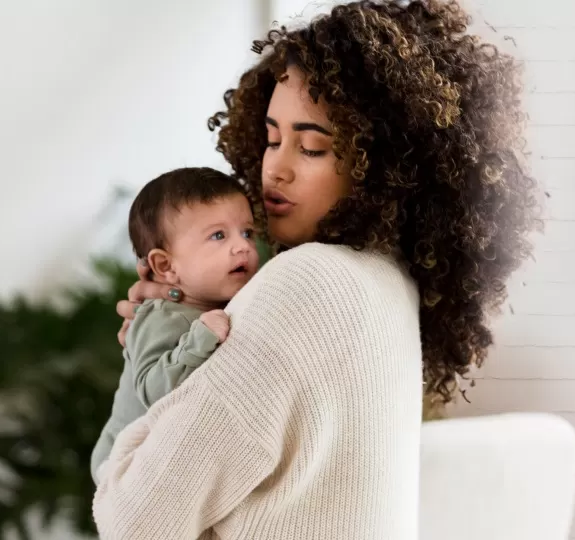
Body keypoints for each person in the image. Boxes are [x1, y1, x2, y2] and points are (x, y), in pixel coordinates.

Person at [93, 1, 542, 538]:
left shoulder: (306, 284)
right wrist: (171, 344)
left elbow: (133, 519)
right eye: (272, 138)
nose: (276, 168)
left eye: (310, 147)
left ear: (383, 165)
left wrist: (148, 409)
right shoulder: (388, 281)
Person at [90, 167, 259, 483]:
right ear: (166, 266)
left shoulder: (222, 302)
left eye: (247, 232)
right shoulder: (162, 316)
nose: (243, 247)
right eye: (218, 236)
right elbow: (152, 391)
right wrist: (199, 340)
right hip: (121, 462)